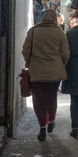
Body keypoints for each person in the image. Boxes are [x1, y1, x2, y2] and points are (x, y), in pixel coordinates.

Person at [22, 9, 70, 141]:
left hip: (37, 71)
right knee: (51, 97)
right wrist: (61, 64)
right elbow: (65, 53)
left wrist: (28, 63)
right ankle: (52, 120)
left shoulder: (33, 31)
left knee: (39, 100)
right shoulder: (60, 33)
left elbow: (26, 50)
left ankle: (42, 126)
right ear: (55, 18)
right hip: (54, 72)